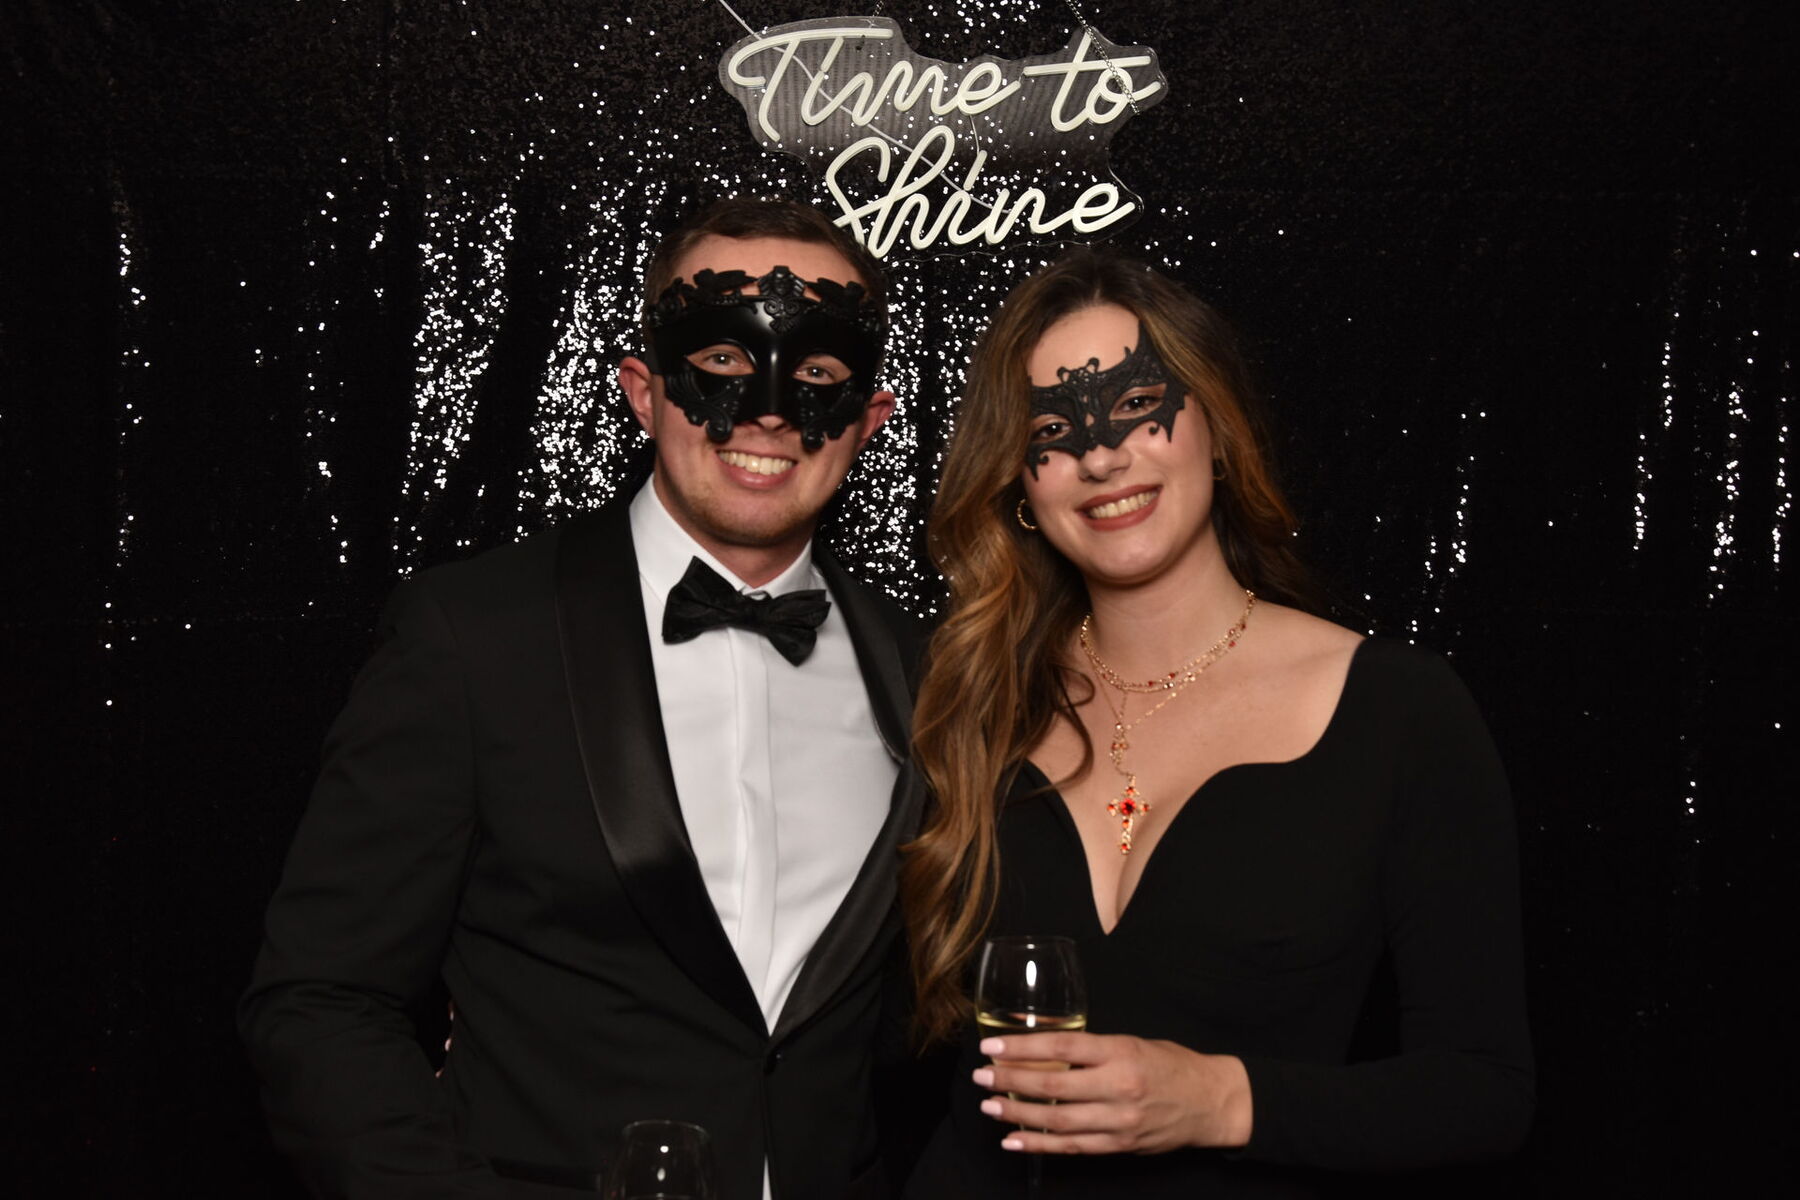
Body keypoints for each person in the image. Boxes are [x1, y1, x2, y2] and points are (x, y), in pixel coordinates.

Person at [241, 198, 925, 1200]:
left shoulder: (920, 666)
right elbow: (319, 1000)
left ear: (869, 419)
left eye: (818, 374)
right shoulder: (475, 635)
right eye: (723, 362)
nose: (771, 411)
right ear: (643, 392)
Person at [898, 248, 1533, 1197]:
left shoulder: (1399, 712)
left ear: (1219, 431)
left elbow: (1485, 1093)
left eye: (1136, 404)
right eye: (1053, 430)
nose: (1100, 456)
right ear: (1020, 485)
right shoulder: (969, 699)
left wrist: (1221, 1100)